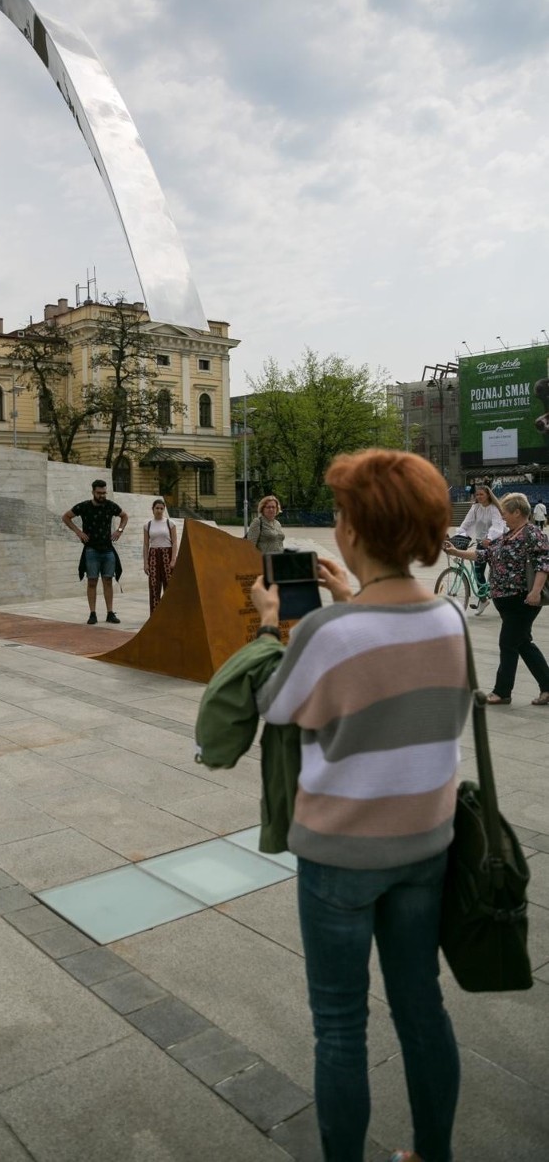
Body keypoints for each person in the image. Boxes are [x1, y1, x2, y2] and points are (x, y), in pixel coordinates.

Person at [202, 449, 469, 1162]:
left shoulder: (327, 632)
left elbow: (274, 703)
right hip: (426, 847)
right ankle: (431, 1154)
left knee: (341, 1026)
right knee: (423, 1010)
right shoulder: (449, 620)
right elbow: (397, 654)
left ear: (351, 530)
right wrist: (355, 594)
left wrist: (265, 623)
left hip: (340, 859)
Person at [444, 491, 549, 705]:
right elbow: (484, 554)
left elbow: (543, 564)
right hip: (506, 601)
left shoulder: (532, 534)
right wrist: (456, 552)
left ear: (518, 512)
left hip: (522, 599)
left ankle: (502, 692)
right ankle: (547, 687)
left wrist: (536, 591)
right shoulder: (507, 535)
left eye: (505, 513)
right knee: (523, 643)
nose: (502, 517)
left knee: (508, 643)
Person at [62, 479, 128, 624]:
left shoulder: (111, 506)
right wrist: (78, 532)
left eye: (104, 493)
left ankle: (110, 613)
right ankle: (92, 613)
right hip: (91, 549)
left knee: (108, 580)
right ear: (93, 492)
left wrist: (119, 530)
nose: (102, 496)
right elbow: (66, 517)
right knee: (92, 581)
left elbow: (124, 516)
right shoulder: (84, 506)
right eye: (99, 493)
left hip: (108, 549)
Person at [452, 484, 504, 614]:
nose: (479, 497)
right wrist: (458, 534)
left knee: (497, 572)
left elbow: (498, 526)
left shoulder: (494, 509)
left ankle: (500, 596)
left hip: (495, 542)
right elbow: (466, 523)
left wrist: (490, 537)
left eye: (482, 494)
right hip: (481, 542)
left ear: (488, 495)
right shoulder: (475, 508)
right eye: (477, 494)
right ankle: (483, 599)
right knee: (478, 572)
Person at [143, 499, 177, 614]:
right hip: (153, 555)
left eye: (161, 508)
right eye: (157, 508)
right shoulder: (147, 525)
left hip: (167, 554)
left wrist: (173, 559)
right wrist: (145, 563)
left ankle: (170, 613)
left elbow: (175, 542)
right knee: (154, 585)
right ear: (153, 509)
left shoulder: (170, 523)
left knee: (169, 585)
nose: (159, 510)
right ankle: (155, 614)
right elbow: (146, 544)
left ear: (164, 509)